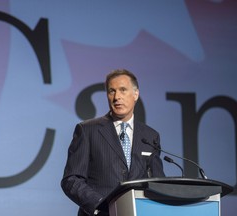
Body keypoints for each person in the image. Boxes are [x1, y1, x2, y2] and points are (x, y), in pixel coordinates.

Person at [61, 69, 165, 216]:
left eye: (123, 90)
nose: (117, 97)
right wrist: (100, 204)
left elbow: (158, 182)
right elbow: (71, 179)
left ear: (136, 94)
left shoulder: (150, 136)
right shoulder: (88, 130)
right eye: (112, 91)